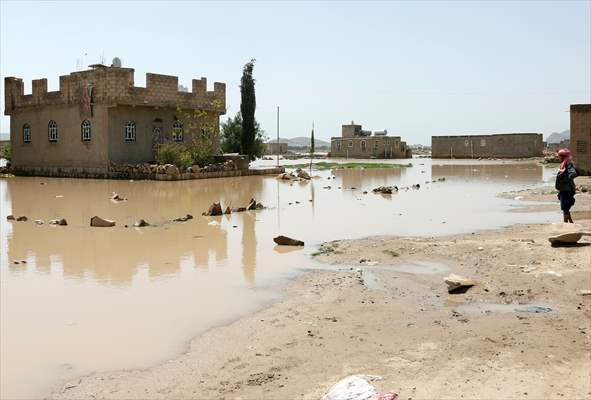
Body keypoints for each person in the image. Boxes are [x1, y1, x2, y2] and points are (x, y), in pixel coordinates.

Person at [555, 148, 578, 223]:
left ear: (562, 157)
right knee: (566, 208)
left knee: (565, 208)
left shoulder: (568, 163)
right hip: (564, 189)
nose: (558, 158)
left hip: (567, 190)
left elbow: (573, 173)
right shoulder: (564, 163)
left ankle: (565, 224)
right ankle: (571, 223)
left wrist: (565, 180)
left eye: (559, 156)